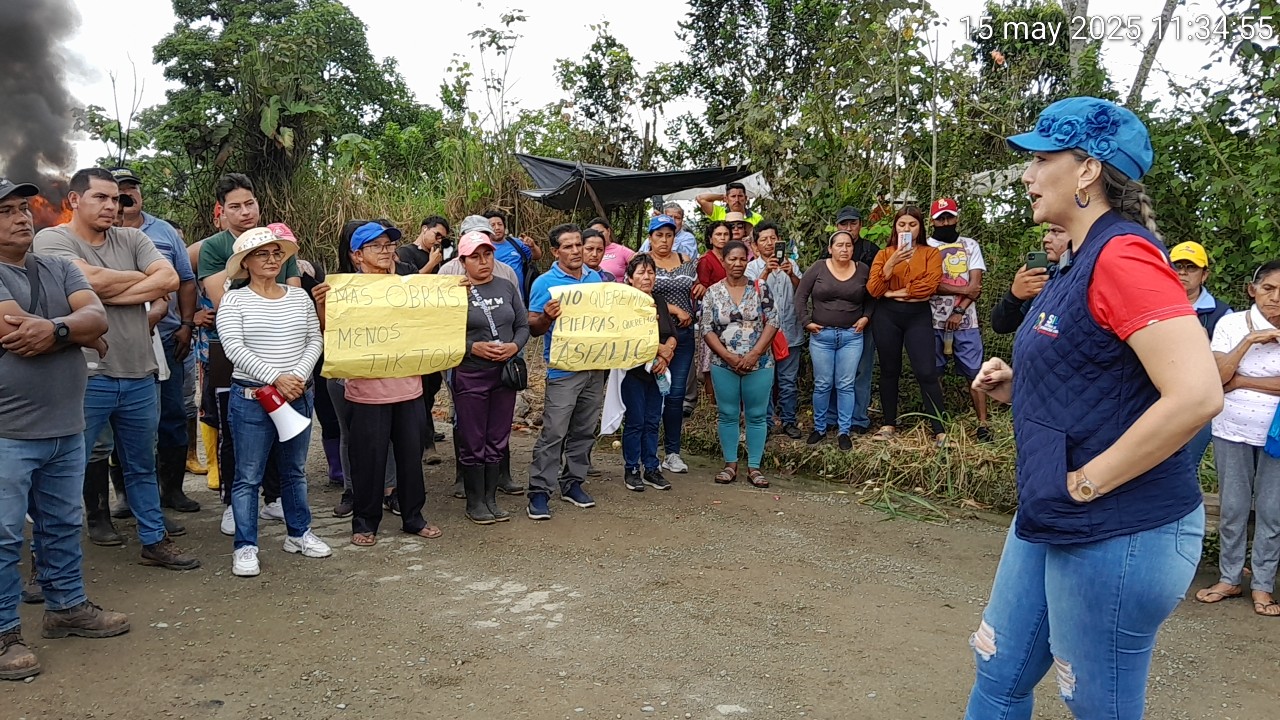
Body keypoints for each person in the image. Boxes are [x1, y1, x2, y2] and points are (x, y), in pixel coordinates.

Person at [966, 96, 1222, 718]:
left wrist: (1086, 483)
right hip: (1052, 510)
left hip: (1118, 526)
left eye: (1041, 159)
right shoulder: (1075, 259)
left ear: (1087, 170)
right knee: (998, 669)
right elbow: (1100, 374)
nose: (1027, 174)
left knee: (1095, 705)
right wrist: (1018, 385)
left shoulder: (1123, 255)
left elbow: (1197, 394)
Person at [34, 168, 199, 571]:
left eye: (117, 199)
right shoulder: (52, 239)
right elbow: (83, 279)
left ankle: (153, 541)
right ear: (74, 200)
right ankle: (45, 560)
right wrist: (138, 282)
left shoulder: (133, 238)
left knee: (142, 464)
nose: (112, 206)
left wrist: (100, 289)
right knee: (64, 470)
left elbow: (168, 279)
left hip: (139, 371)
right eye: (101, 198)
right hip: (85, 375)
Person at [0, 178, 128, 681]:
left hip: (64, 427)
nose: (21, 217)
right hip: (7, 431)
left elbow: (97, 317)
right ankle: (4, 632)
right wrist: (76, 333)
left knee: (61, 525)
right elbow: (12, 329)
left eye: (23, 208)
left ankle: (67, 607)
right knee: (3, 535)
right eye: (6, 211)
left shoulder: (58, 265)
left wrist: (57, 329)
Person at [314, 222, 441, 545]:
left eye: (389, 245)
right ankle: (365, 522)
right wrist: (322, 305)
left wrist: (456, 297)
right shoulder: (345, 291)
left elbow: (434, 319)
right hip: (366, 392)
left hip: (409, 388)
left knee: (410, 459)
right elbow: (332, 334)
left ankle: (413, 517)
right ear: (357, 255)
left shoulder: (408, 287)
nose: (386, 251)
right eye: (376, 246)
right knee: (367, 460)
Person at [216, 227, 330, 576]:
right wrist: (276, 377)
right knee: (248, 476)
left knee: (294, 470)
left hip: (297, 394)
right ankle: (245, 545)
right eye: (262, 254)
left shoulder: (299, 297)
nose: (271, 259)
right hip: (252, 399)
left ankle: (298, 533)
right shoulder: (234, 301)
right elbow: (234, 348)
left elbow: (314, 338)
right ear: (245, 262)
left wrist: (297, 375)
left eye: (276, 253)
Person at [199, 173, 300, 533]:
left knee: (280, 425)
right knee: (234, 429)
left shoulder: (278, 242)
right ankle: (233, 502)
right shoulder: (214, 247)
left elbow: (294, 295)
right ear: (221, 211)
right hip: (233, 352)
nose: (245, 212)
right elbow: (223, 302)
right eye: (235, 206)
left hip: (284, 350)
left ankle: (274, 499)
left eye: (250, 203)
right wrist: (266, 298)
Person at [112, 168, 202, 512]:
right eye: (119, 190)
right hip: (117, 344)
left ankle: (173, 490)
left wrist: (187, 325)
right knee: (122, 421)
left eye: (131, 188)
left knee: (173, 414)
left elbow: (186, 280)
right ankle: (125, 496)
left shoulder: (163, 231)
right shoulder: (100, 234)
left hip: (167, 340)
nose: (126, 195)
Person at [1195, 260, 1280, 617]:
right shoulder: (1232, 325)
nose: (1275, 298)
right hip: (1232, 430)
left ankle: (1263, 585)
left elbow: (1231, 379)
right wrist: (1250, 341)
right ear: (1252, 289)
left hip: (1275, 436)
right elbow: (1217, 375)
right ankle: (1229, 578)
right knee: (1233, 507)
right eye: (1269, 288)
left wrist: (1242, 381)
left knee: (1273, 511)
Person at [439, 217, 525, 499]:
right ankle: (475, 501)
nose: (483, 261)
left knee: (497, 436)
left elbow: (523, 325)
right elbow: (439, 332)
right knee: (473, 438)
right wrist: (471, 347)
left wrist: (514, 346)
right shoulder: (453, 291)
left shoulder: (506, 285)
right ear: (462, 261)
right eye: (475, 257)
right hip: (470, 373)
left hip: (503, 374)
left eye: (487, 254)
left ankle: (491, 498)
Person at [526, 224, 604, 519]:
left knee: (584, 430)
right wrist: (547, 317)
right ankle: (539, 491)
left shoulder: (595, 278)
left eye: (578, 245)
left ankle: (573, 483)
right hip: (563, 370)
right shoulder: (545, 283)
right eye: (568, 246)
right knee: (554, 432)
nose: (576, 251)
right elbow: (533, 327)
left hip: (594, 367)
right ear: (554, 252)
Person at [866, 207, 946, 445]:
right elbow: (873, 289)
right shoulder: (884, 254)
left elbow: (929, 287)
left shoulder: (931, 253)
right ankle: (888, 423)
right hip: (887, 316)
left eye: (912, 224)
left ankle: (939, 429)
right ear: (895, 227)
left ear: (920, 227)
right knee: (889, 370)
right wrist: (891, 264)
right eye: (902, 224)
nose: (907, 229)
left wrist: (893, 292)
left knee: (926, 371)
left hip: (918, 316)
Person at [702, 241, 778, 488]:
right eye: (732, 259)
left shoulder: (760, 287)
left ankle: (754, 467)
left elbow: (773, 321)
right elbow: (706, 328)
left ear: (748, 261)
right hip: (724, 363)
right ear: (723, 261)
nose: (737, 264)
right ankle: (730, 465)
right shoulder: (712, 292)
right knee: (727, 414)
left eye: (742, 259)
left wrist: (755, 353)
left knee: (757, 415)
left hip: (759, 362)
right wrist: (728, 356)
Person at [794, 230, 872, 450]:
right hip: (822, 336)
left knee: (846, 384)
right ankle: (820, 428)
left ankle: (843, 431)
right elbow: (800, 296)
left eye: (848, 245)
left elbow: (872, 298)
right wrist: (806, 322)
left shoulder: (862, 270)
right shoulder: (818, 268)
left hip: (851, 336)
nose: (844, 249)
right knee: (823, 384)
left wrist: (866, 317)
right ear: (830, 248)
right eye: (839, 245)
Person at [927, 198, 992, 443]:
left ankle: (983, 424)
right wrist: (965, 290)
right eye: (940, 219)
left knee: (974, 372)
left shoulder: (970, 245)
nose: (945, 223)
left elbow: (977, 285)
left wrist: (959, 311)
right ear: (932, 221)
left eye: (949, 217)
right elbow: (929, 285)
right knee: (934, 372)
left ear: (957, 217)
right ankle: (939, 424)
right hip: (932, 319)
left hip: (966, 321)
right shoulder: (926, 247)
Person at [1169, 241, 1233, 467]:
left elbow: (1228, 365)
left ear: (1205, 275)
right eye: (1177, 266)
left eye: (1191, 267)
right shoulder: (1152, 305)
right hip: (1152, 396)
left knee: (1186, 464)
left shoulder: (1223, 314)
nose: (1183, 273)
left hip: (1199, 401)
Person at [620, 254, 678, 492]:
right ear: (630, 278)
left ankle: (651, 467)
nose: (647, 277)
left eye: (651, 272)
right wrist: (658, 349)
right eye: (641, 273)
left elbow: (672, 334)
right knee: (635, 421)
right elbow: (627, 337)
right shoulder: (625, 304)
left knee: (653, 420)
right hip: (632, 371)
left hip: (658, 371)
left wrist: (666, 354)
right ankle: (632, 468)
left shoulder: (659, 301)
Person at [647, 215, 699, 474]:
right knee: (652, 394)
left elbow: (694, 287)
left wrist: (699, 289)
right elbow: (638, 294)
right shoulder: (643, 263)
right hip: (653, 337)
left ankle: (672, 452)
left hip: (683, 336)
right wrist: (673, 309)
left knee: (676, 395)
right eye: (659, 235)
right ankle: (648, 452)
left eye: (669, 235)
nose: (664, 240)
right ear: (650, 238)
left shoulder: (685, 260)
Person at [746, 222, 805, 439]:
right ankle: (767, 423)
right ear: (755, 245)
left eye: (773, 238)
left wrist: (791, 274)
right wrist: (766, 271)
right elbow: (749, 296)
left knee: (788, 381)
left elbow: (803, 291)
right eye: (764, 239)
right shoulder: (751, 268)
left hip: (790, 332)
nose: (769, 243)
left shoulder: (791, 264)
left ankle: (789, 421)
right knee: (765, 382)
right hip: (763, 335)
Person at [832, 206, 881, 434]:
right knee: (834, 372)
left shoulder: (872, 251)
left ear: (861, 225)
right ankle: (833, 417)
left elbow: (877, 288)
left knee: (862, 370)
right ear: (837, 226)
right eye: (844, 224)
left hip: (864, 321)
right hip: (834, 321)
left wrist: (867, 316)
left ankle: (858, 418)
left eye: (853, 223)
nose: (849, 228)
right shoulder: (829, 251)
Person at [990, 224, 1071, 334]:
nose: (1046, 239)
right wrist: (1014, 296)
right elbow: (1001, 326)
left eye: (1056, 231)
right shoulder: (1045, 274)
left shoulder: (1087, 277)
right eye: (1048, 231)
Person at [690, 221, 731, 409]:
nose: (722, 238)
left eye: (726, 234)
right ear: (710, 238)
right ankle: (711, 402)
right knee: (709, 355)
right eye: (718, 234)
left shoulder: (732, 257)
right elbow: (700, 290)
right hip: (710, 313)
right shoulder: (706, 260)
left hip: (731, 314)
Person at [484, 210, 542, 297]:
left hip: (521, 295)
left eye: (500, 224)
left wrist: (533, 246)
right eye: (492, 225)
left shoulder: (515, 243)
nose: (497, 228)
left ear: (504, 227)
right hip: (498, 295)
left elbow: (537, 256)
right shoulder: (485, 247)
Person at [586, 216, 634, 281]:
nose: (598, 236)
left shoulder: (621, 250)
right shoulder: (584, 252)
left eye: (601, 233)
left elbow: (640, 263)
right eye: (593, 234)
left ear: (608, 231)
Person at [696, 181, 763, 226]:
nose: (737, 200)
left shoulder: (757, 218)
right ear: (726, 199)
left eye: (740, 196)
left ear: (745, 198)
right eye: (733, 196)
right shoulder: (719, 212)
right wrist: (722, 197)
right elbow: (700, 198)